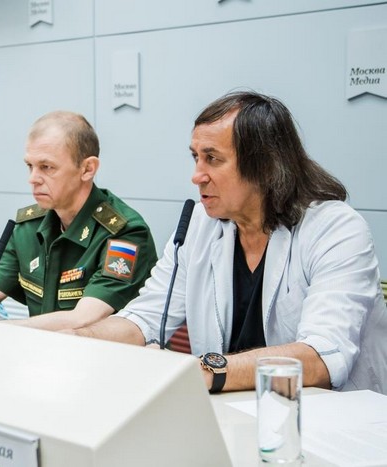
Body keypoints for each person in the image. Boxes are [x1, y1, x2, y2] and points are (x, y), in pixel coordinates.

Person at [73, 91, 387, 395]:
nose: (197, 175)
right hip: (232, 410)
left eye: (212, 159)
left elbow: (322, 359)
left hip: (331, 417)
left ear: (264, 166)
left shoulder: (336, 229)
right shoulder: (199, 224)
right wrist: (72, 340)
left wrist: (204, 371)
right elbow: (144, 319)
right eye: (196, 157)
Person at [0, 111, 158, 330]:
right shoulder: (27, 227)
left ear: (87, 169)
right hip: (40, 348)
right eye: (29, 166)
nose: (32, 179)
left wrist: (4, 329)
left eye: (47, 167)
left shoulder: (124, 233)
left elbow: (81, 319)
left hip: (103, 351)